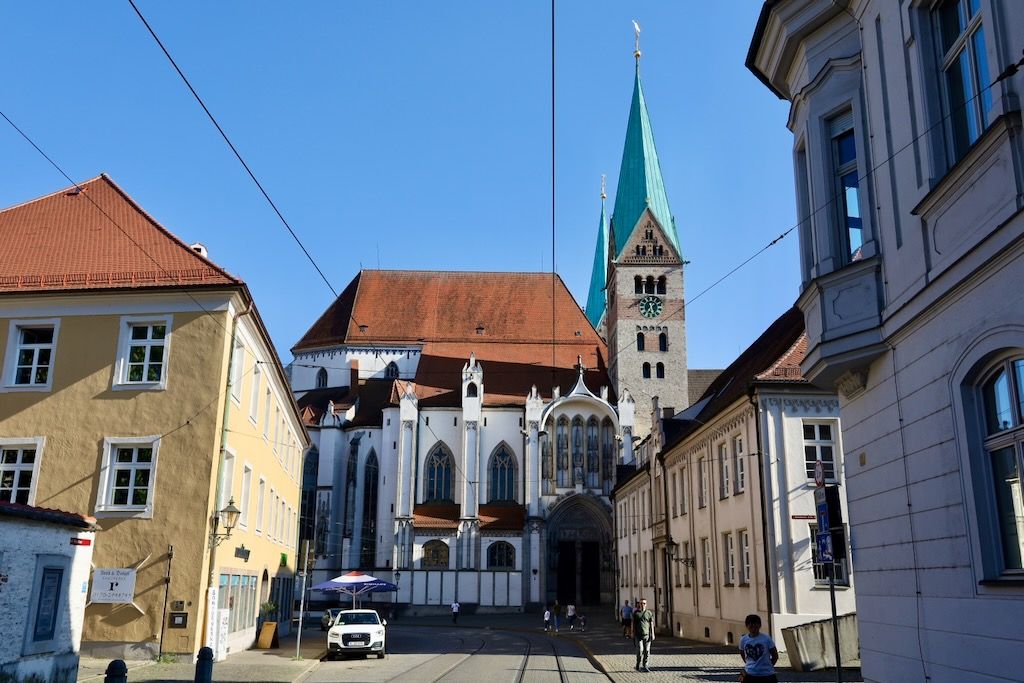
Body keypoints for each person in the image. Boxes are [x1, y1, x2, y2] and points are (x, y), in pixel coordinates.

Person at [739, 613, 779, 683]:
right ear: (747, 626)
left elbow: (775, 655)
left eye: (755, 625)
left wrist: (768, 665)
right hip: (750, 674)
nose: (753, 628)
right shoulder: (743, 639)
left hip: (767, 674)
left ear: (759, 626)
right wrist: (749, 665)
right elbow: (742, 652)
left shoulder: (766, 639)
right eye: (751, 626)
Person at [632, 598, 655, 673]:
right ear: (639, 604)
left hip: (647, 635)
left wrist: (653, 633)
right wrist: (632, 633)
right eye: (641, 603)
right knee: (640, 651)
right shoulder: (636, 613)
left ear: (646, 604)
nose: (642, 605)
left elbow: (651, 624)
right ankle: (638, 664)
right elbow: (633, 624)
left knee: (647, 651)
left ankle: (645, 665)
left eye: (644, 603)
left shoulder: (649, 613)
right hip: (638, 635)